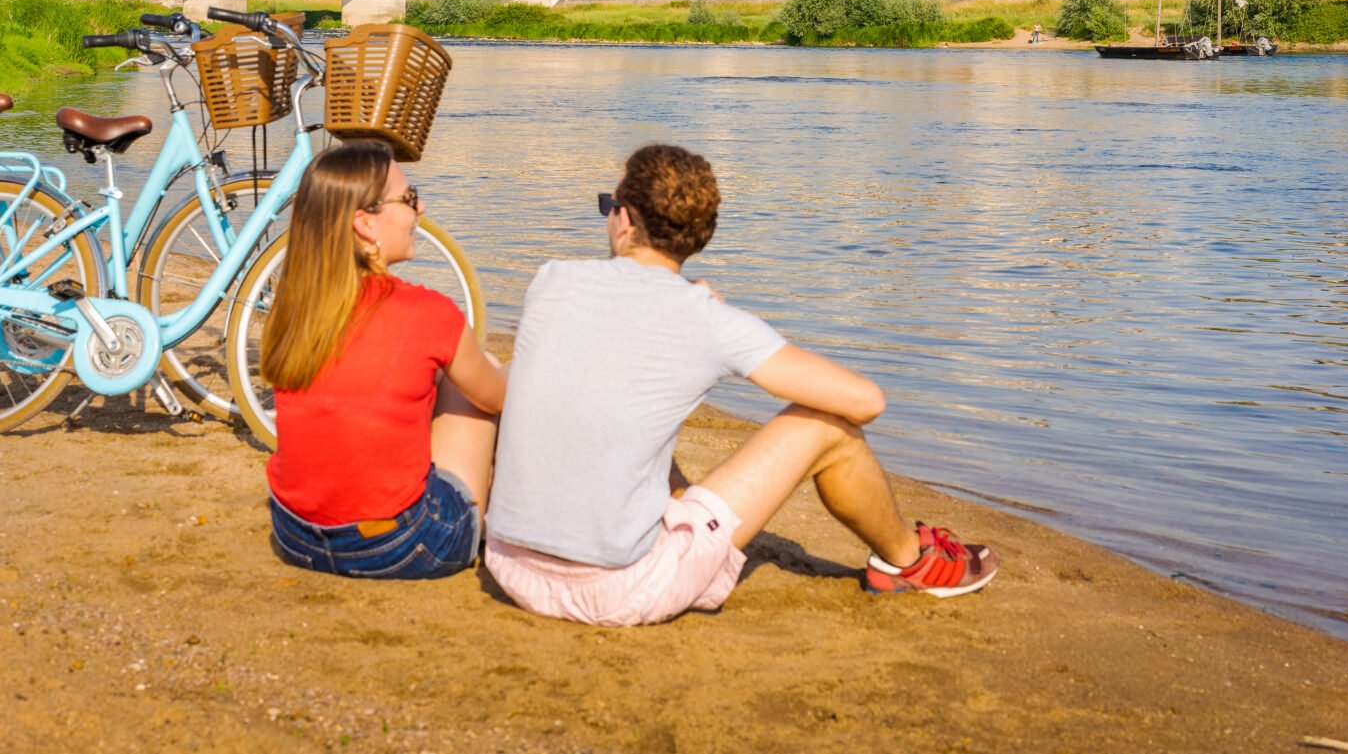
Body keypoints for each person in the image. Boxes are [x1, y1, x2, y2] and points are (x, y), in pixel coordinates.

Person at [485, 144, 997, 626]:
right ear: (699, 237)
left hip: (510, 564)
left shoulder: (550, 281)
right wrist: (713, 325)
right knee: (828, 426)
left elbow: (618, 332)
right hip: (619, 589)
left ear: (623, 220)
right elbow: (865, 401)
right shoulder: (706, 321)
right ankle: (908, 562)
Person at [261, 141, 504, 580]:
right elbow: (498, 397)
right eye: (409, 199)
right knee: (475, 373)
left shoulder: (294, 307)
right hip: (397, 546)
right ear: (365, 224)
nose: (421, 207)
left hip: (296, 534)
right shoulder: (426, 312)